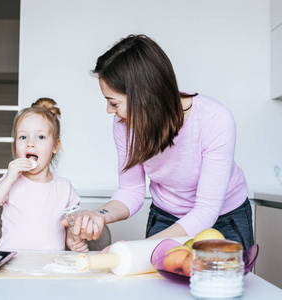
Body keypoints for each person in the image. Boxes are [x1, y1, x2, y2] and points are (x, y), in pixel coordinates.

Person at [63, 34, 254, 250]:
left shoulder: (214, 119)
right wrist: (97, 216)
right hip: (166, 217)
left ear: (143, 96)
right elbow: (131, 190)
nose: (110, 111)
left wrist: (136, 249)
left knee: (222, 283)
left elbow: (205, 211)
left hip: (224, 218)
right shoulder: (124, 124)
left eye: (113, 102)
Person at [0, 98, 88, 252]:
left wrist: (71, 239)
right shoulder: (9, 181)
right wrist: (8, 179)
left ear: (55, 146)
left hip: (50, 266)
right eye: (23, 137)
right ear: (16, 147)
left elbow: (71, 225)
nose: (30, 143)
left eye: (40, 137)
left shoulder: (65, 187)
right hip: (11, 264)